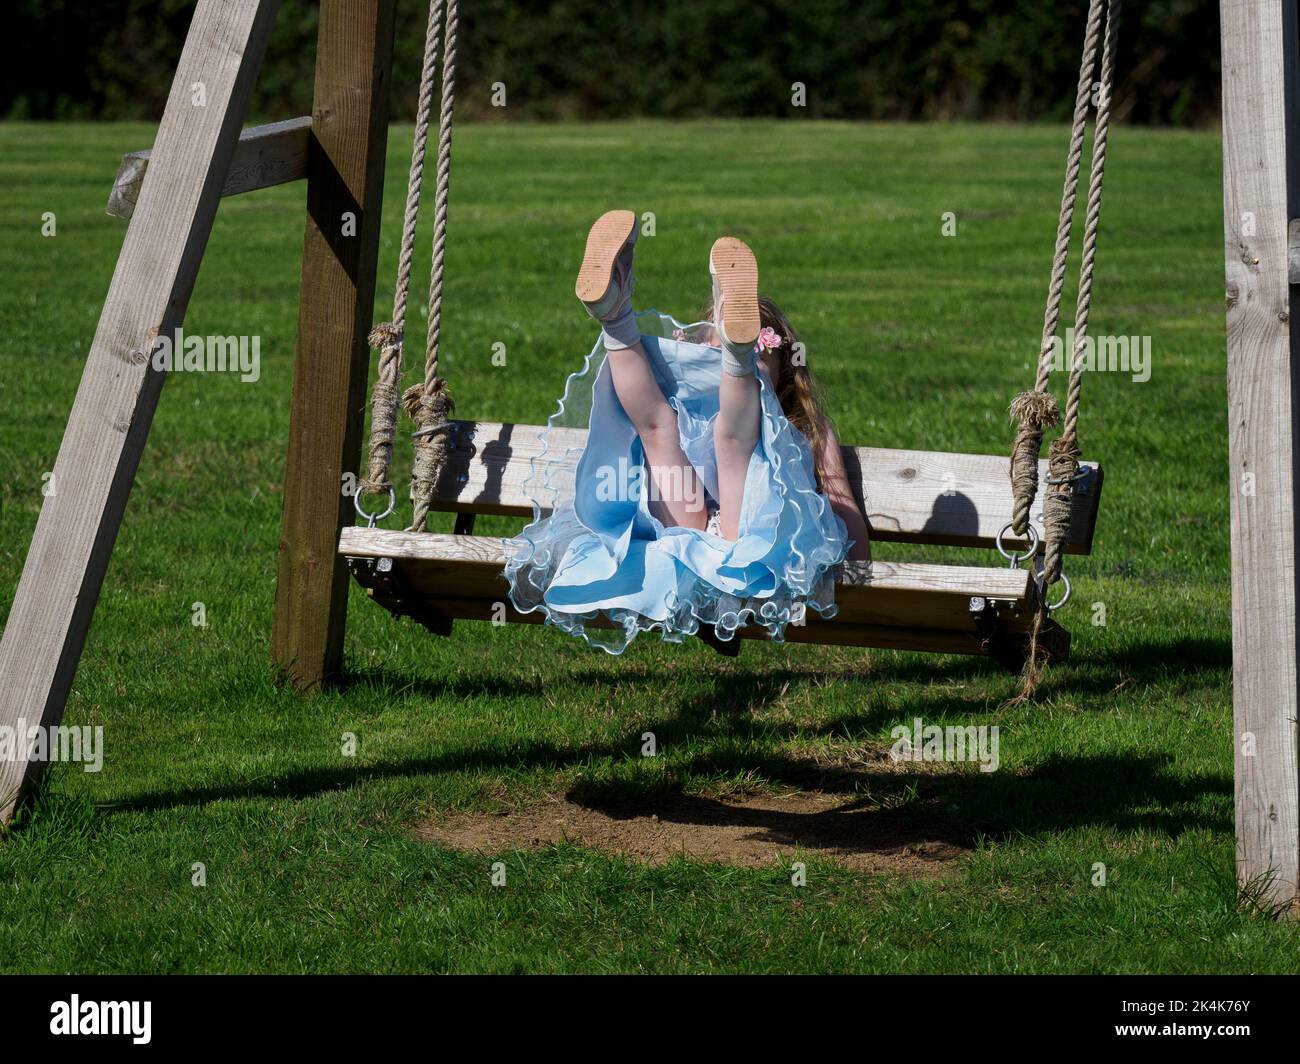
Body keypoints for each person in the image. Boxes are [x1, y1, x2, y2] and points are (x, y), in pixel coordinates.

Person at [504, 209, 871, 654]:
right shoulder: (714, 418)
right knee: (684, 434)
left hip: (742, 533)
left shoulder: (802, 431)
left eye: (757, 355)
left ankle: (617, 318)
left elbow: (836, 500)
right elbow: (842, 501)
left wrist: (854, 564)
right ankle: (621, 316)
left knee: (675, 429)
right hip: (708, 533)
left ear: (783, 373)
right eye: (736, 353)